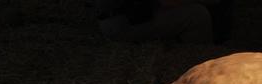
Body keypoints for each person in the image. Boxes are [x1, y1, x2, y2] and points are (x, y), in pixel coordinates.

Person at [95, 0, 233, 43]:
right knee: (197, 14)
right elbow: (167, 2)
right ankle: (198, 58)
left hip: (131, 14)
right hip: (120, 23)